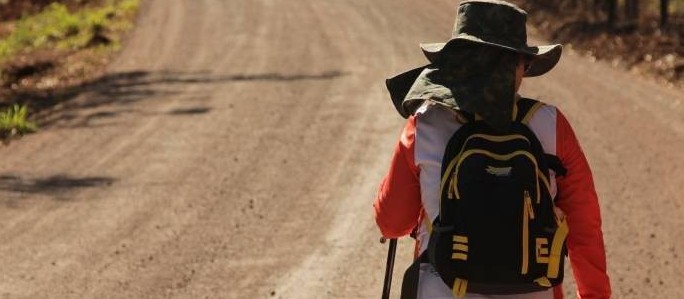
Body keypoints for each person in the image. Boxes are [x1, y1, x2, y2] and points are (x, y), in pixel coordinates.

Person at [374, 1, 611, 298]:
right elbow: (585, 228)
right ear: (522, 66)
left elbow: (391, 222)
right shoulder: (552, 125)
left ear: (456, 62)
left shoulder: (424, 124)